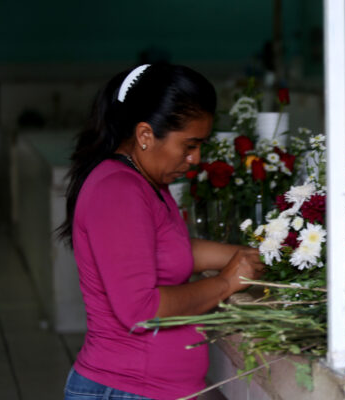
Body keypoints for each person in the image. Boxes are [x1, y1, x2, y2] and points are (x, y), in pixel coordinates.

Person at [58, 64, 264, 399]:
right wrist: (226, 282)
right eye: (189, 145)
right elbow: (141, 309)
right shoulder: (117, 190)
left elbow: (170, 250)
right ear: (144, 135)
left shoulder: (147, 181)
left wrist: (243, 256)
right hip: (124, 388)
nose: (195, 158)